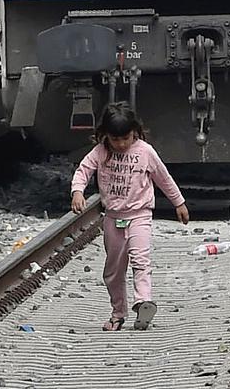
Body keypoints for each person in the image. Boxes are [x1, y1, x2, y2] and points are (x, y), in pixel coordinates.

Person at [70, 102, 190, 331]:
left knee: (140, 259)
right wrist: (77, 191)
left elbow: (163, 178)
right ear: (105, 136)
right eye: (115, 140)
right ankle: (118, 313)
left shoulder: (145, 151)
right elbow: (83, 171)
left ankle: (143, 301)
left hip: (139, 215)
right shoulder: (100, 152)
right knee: (113, 271)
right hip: (112, 217)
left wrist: (179, 202)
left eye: (126, 138)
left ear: (135, 131)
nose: (122, 144)